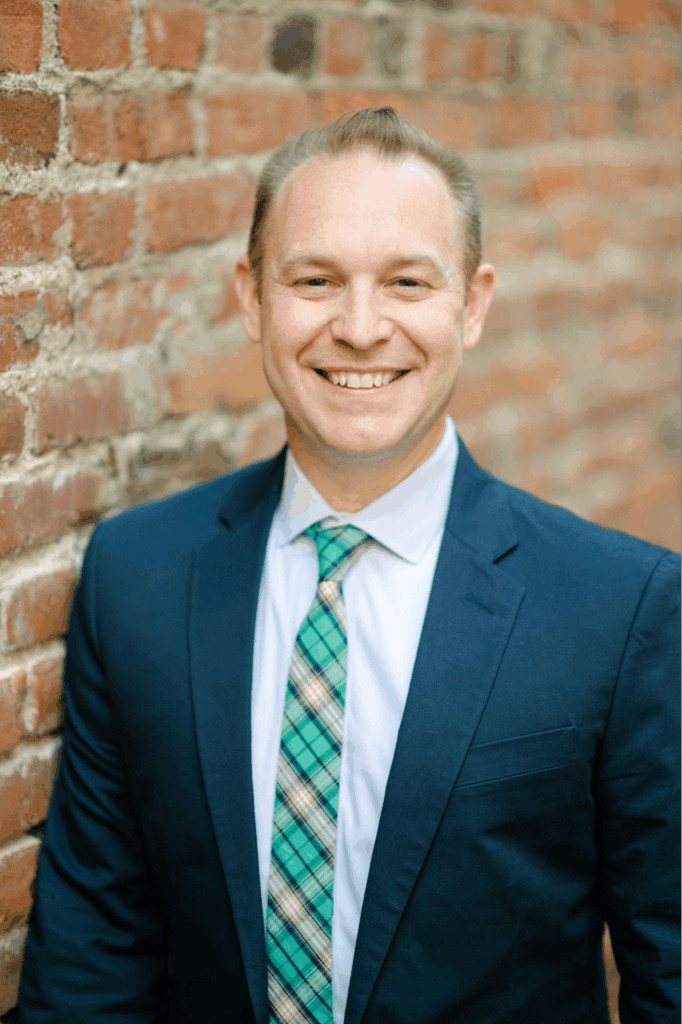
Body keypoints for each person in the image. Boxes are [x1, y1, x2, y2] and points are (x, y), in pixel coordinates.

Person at [17, 108, 679, 1024]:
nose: (360, 328)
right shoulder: (139, 577)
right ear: (252, 297)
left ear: (473, 304)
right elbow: (94, 954)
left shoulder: (621, 606)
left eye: (408, 282)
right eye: (316, 279)